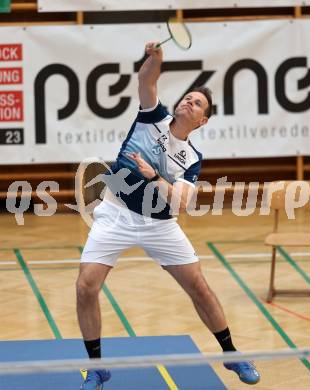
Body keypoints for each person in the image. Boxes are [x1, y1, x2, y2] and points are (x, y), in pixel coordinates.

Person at [76, 42, 260, 390]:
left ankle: (231, 354)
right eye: (188, 97)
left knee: (199, 287)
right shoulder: (152, 117)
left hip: (159, 224)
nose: (189, 102)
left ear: (202, 120)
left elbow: (181, 204)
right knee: (86, 287)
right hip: (116, 213)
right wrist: (155, 60)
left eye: (198, 103)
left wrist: (155, 177)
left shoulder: (191, 157)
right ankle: (96, 368)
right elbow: (146, 81)